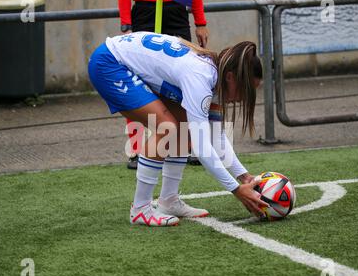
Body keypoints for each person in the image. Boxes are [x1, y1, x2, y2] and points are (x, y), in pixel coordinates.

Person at [88, 32, 270, 226]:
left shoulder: (217, 77)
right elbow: (202, 148)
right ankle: (140, 209)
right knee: (167, 128)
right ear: (231, 77)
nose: (243, 98)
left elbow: (217, 136)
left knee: (184, 129)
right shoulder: (200, 76)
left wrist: (245, 176)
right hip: (109, 62)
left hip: (120, 59)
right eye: (245, 91)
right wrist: (235, 189)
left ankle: (168, 201)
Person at [118, 0, 209, 169]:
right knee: (138, 83)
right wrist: (126, 25)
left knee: (182, 83)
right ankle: (136, 149)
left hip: (176, 11)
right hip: (145, 13)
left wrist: (201, 23)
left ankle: (186, 146)